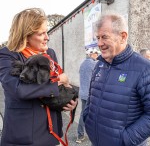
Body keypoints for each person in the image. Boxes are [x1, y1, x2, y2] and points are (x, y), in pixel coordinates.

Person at [0, 8, 77, 146]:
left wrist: (68, 101)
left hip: (53, 135)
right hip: (23, 138)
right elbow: (19, 90)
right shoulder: (7, 55)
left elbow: (53, 91)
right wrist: (59, 81)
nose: (47, 37)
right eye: (41, 33)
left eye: (46, 32)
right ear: (25, 35)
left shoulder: (50, 53)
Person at [83, 11, 150, 146]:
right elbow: (92, 98)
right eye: (98, 38)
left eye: (104, 37)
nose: (99, 43)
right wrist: (87, 119)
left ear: (123, 36)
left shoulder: (144, 68)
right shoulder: (99, 64)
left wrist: (125, 139)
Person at [76, 47, 99, 144]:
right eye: (96, 53)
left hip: (82, 93)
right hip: (91, 94)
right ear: (91, 54)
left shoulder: (82, 64)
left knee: (83, 114)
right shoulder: (94, 64)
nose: (97, 55)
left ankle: (80, 135)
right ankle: (89, 134)